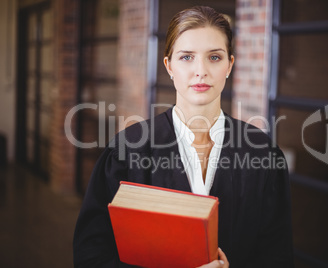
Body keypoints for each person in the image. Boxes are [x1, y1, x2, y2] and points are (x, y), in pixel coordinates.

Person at [73, 6, 293, 268]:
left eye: (214, 57)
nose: (200, 71)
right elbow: (91, 256)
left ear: (229, 65)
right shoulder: (127, 151)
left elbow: (277, 256)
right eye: (186, 57)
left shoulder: (262, 154)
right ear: (169, 66)